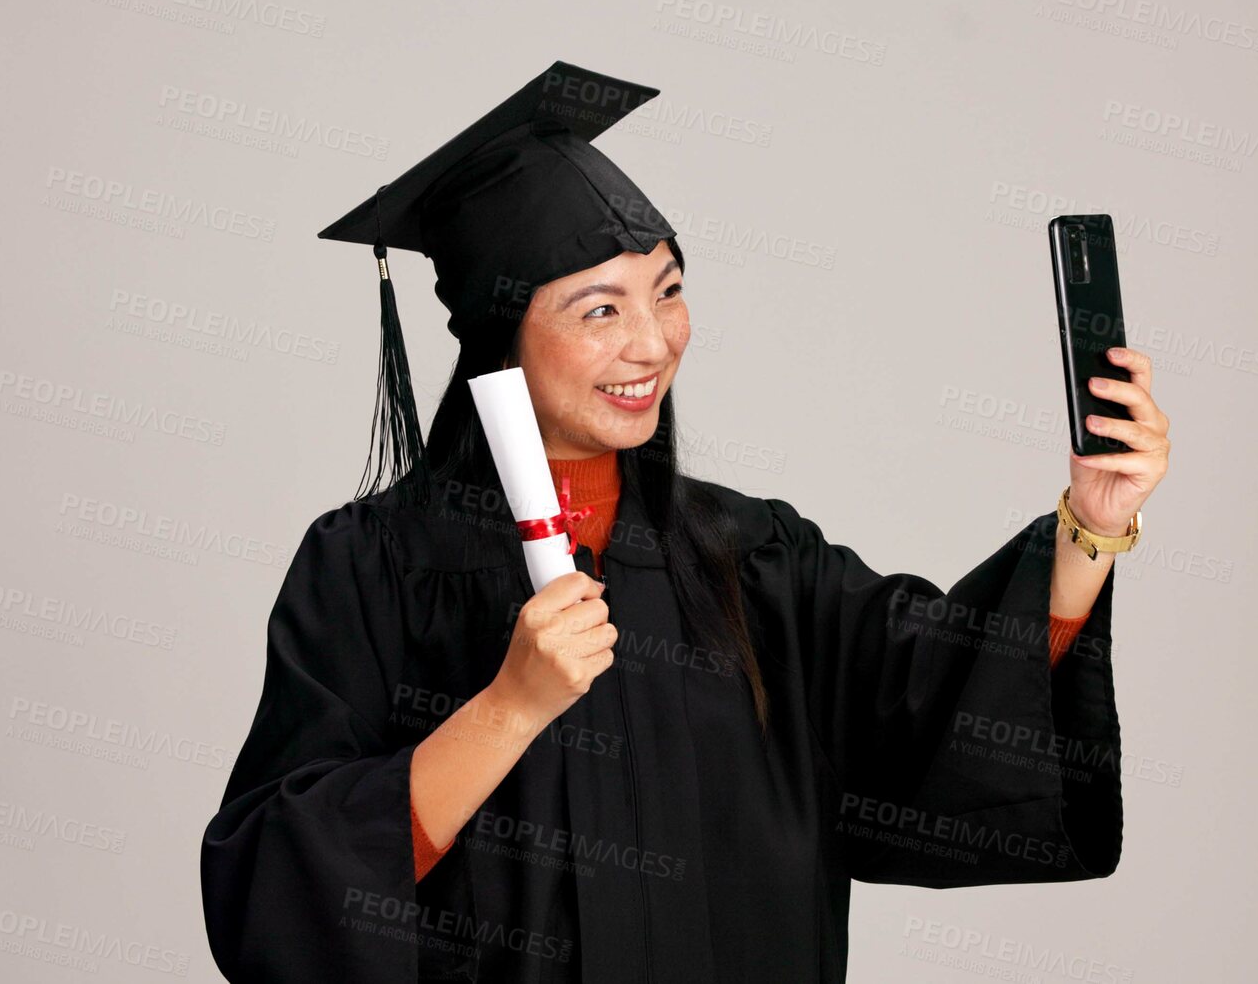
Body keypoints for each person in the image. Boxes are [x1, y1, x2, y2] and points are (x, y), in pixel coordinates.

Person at [199, 61, 1170, 983]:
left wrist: (1090, 524)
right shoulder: (375, 570)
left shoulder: (755, 563)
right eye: (599, 309)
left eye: (668, 289)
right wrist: (510, 707)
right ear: (503, 336)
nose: (653, 342)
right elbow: (279, 888)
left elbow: (947, 700)